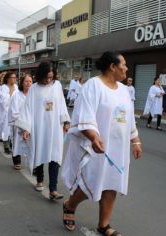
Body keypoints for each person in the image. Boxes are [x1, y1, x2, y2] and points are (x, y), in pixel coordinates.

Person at [61, 52, 142, 235]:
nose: (126, 69)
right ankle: (70, 205)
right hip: (96, 147)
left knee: (111, 183)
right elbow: (84, 114)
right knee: (90, 181)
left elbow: (129, 117)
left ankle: (103, 225)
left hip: (117, 147)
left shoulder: (123, 90)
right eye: (124, 65)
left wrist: (135, 140)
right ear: (112, 66)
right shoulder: (93, 86)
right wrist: (92, 136)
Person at [16, 61, 70, 199]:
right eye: (46, 77)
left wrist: (66, 121)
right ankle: (39, 180)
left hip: (55, 127)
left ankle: (53, 189)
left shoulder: (57, 86)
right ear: (40, 75)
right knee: (39, 152)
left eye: (51, 77)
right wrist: (26, 128)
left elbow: (62, 104)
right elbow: (28, 108)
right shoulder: (34, 89)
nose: (48, 80)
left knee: (55, 156)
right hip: (39, 127)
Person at [8, 74, 33, 170]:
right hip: (18, 123)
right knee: (17, 142)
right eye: (26, 81)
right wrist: (22, 124)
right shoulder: (16, 95)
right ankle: (17, 160)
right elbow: (14, 112)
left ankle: (33, 164)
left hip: (30, 124)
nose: (28, 83)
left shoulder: (33, 95)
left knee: (31, 144)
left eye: (30, 81)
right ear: (22, 83)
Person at [0, 72, 18, 154]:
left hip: (14, 111)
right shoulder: (3, 87)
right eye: (12, 77)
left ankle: (12, 145)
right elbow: (4, 101)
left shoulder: (16, 87)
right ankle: (6, 146)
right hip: (5, 112)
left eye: (15, 77)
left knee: (14, 130)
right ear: (8, 78)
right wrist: (11, 93)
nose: (14, 79)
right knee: (6, 129)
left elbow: (18, 98)